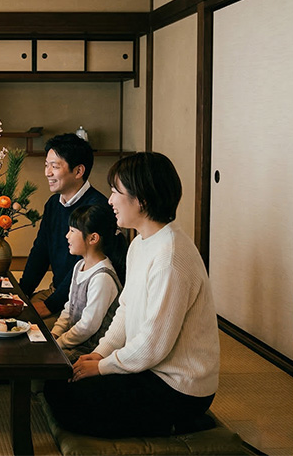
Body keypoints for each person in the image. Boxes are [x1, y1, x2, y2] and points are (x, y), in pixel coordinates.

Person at [44, 152, 220, 438]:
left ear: (143, 200)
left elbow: (153, 345)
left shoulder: (170, 256)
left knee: (69, 403)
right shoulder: (140, 243)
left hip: (178, 386)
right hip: (148, 367)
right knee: (57, 383)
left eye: (116, 192)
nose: (110, 200)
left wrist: (103, 367)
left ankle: (180, 424)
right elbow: (124, 310)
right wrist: (99, 353)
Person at [18, 133, 126, 328]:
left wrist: (50, 305)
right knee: (9, 315)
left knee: (28, 330)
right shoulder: (53, 204)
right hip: (57, 291)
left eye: (55, 166)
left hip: (81, 300)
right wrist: (21, 292)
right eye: (46, 165)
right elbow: (40, 251)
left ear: (78, 171)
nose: (47, 173)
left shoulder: (98, 209)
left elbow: (85, 265)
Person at [50, 204, 122, 362]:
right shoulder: (79, 265)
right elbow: (69, 308)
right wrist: (55, 334)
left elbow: (88, 326)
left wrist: (59, 343)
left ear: (93, 238)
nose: (67, 236)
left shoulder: (102, 277)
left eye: (72, 231)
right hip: (74, 342)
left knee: (46, 361)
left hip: (90, 350)